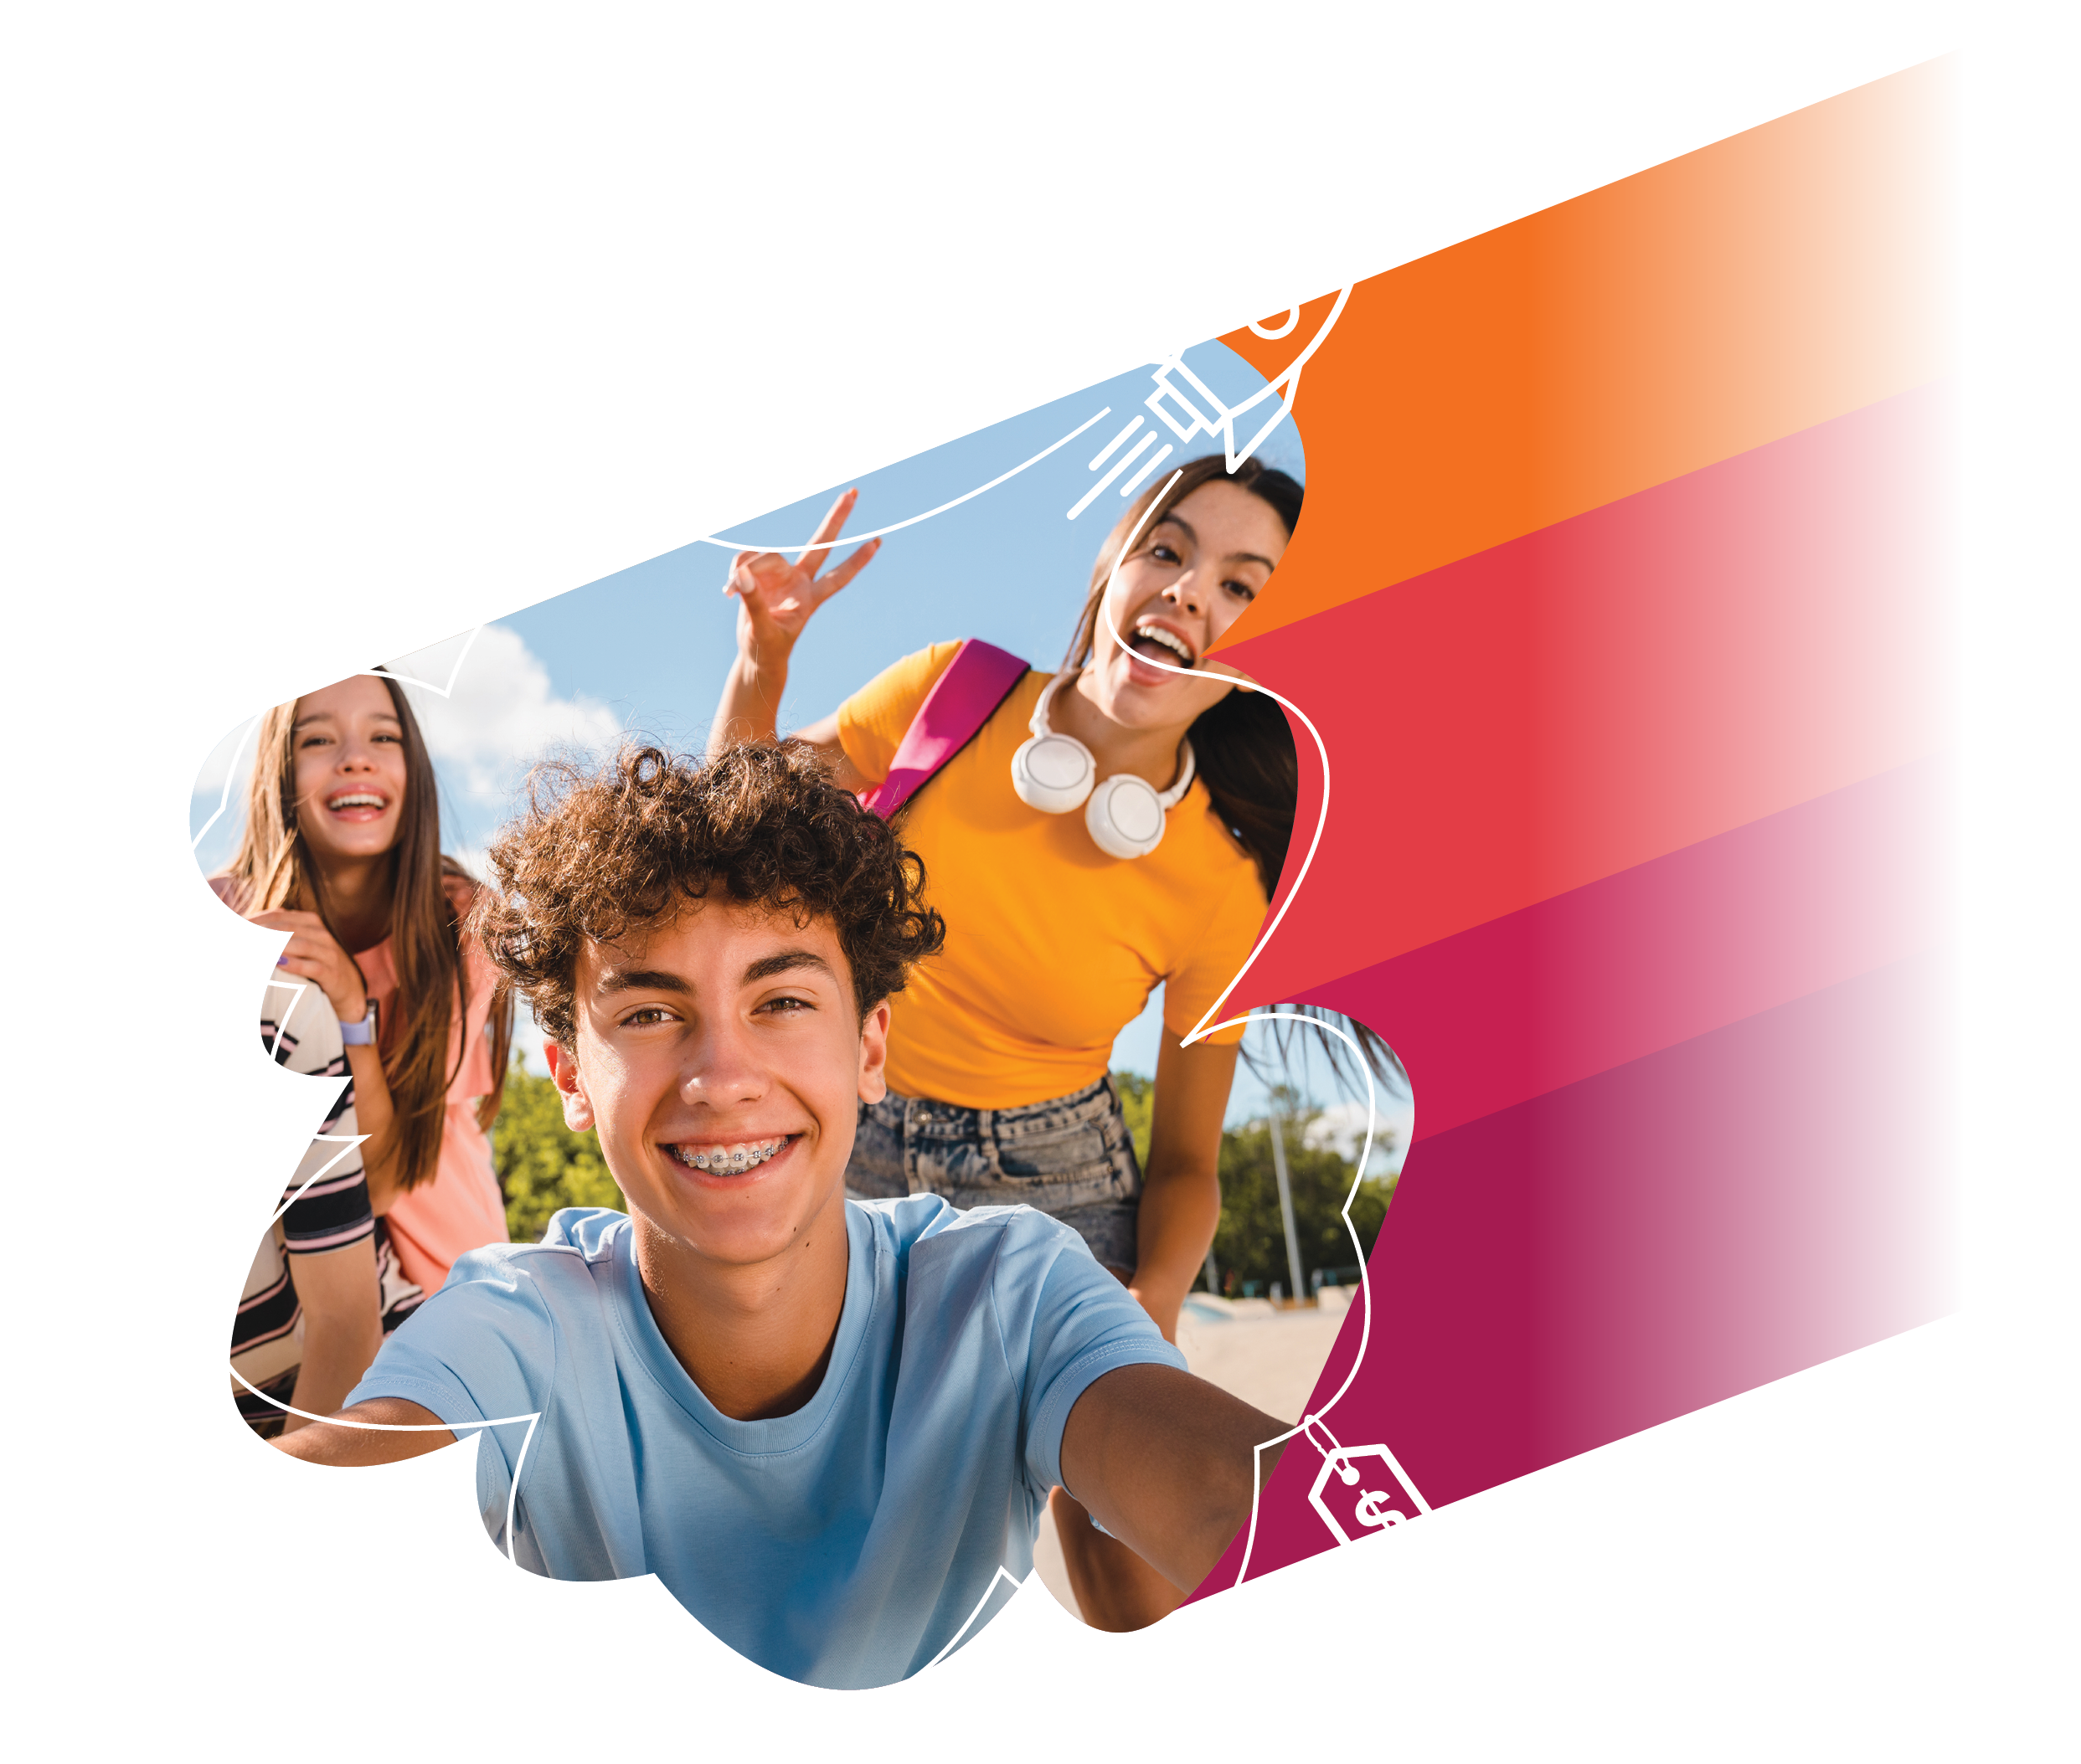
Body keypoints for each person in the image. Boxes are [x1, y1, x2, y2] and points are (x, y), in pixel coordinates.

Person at [273, 741, 1286, 1691]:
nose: (723, 1077)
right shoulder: (511, 1327)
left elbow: (1239, 1499)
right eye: (650, 1013)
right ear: (571, 1079)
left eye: (784, 1001)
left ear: (870, 1049)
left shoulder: (1013, 1292)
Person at [707, 453, 1394, 1628]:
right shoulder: (951, 692)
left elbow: (1183, 1160)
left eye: (1243, 586)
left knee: (1123, 1536)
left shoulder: (1220, 894)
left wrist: (1155, 1299)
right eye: (1169, 551)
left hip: (1057, 1180)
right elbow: (734, 826)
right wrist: (763, 658)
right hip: (840, 1146)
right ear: (1115, 559)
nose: (1189, 593)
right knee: (820, 1511)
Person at [212, 671, 514, 1297]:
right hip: (276, 1287)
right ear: (279, 770)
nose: (355, 758)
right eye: (318, 741)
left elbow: (384, 1181)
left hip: (441, 1276)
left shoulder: (460, 923)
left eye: (384, 736)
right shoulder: (223, 917)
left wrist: (352, 1009)